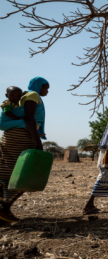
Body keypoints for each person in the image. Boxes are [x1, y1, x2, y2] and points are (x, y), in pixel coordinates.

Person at [0, 77, 49, 223]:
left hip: (10, 136)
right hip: (21, 137)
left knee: (5, 172)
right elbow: (29, 118)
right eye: (46, 88)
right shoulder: (33, 95)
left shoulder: (24, 96)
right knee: (24, 175)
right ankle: (4, 209)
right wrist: (37, 141)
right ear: (39, 86)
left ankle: (3, 209)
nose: (47, 91)